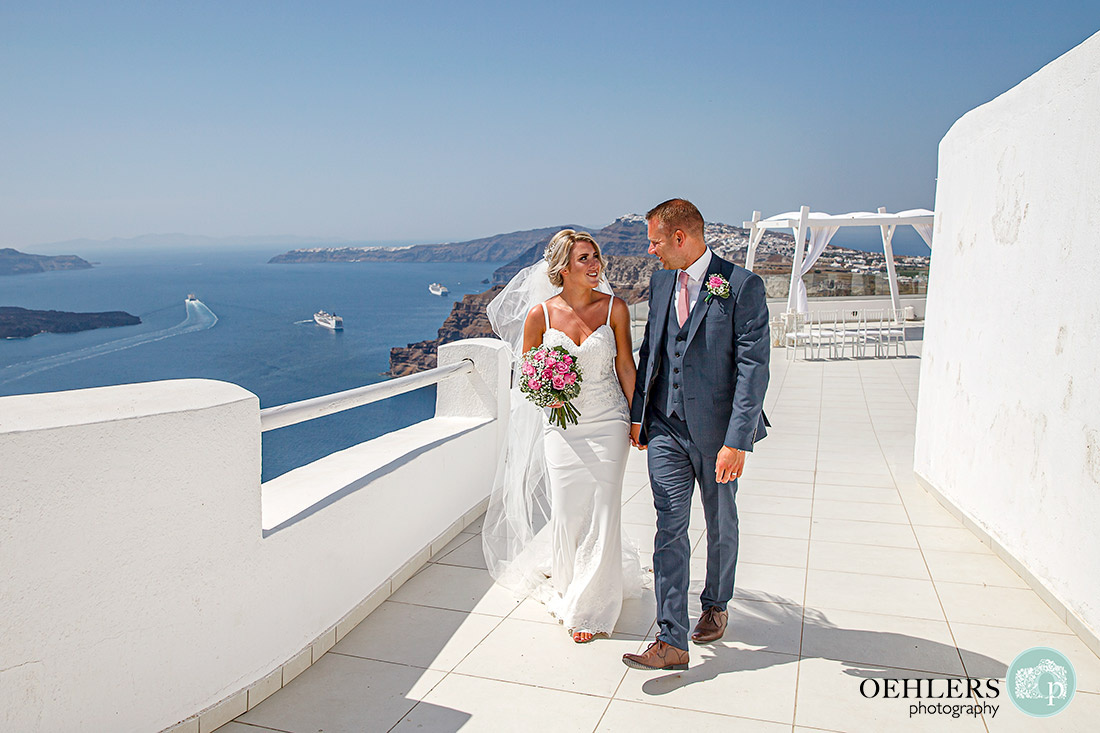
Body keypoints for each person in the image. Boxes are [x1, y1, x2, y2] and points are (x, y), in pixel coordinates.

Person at [622, 199, 770, 671]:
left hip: (718, 432)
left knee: (720, 519)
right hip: (665, 424)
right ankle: (672, 639)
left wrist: (737, 441)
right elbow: (653, 349)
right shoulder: (662, 280)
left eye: (656, 241)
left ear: (681, 237)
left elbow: (753, 368)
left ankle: (716, 603)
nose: (651, 250)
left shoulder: (741, 285)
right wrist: (639, 414)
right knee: (669, 525)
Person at [483, 229, 644, 643]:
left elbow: (626, 365)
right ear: (563, 268)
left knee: (607, 507)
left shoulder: (615, 310)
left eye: (596, 257)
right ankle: (569, 586)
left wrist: (637, 417)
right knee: (569, 513)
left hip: (608, 418)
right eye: (585, 259)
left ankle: (592, 606)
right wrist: (547, 396)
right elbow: (527, 373)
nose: (596, 266)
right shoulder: (540, 315)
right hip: (562, 427)